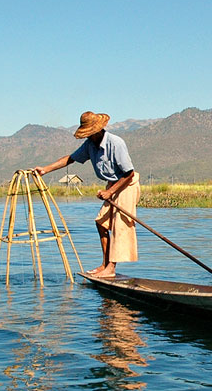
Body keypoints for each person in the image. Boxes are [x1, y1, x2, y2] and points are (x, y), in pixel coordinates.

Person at [34, 111, 140, 278]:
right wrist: (46, 169)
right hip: (113, 186)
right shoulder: (90, 145)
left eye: (90, 133)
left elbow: (129, 173)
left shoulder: (115, 143)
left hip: (126, 185)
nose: (88, 137)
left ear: (98, 130)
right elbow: (70, 159)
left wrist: (110, 192)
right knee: (101, 223)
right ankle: (105, 264)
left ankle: (110, 269)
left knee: (120, 227)